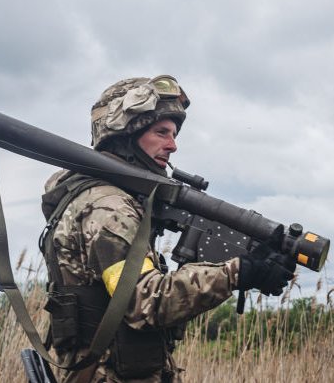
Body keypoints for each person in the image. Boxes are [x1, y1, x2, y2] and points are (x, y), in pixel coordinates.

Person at [40, 75, 294, 382]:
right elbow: (143, 300)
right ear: (124, 135)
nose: (172, 145)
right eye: (161, 132)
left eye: (173, 134)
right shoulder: (108, 208)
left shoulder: (99, 199)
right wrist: (237, 273)